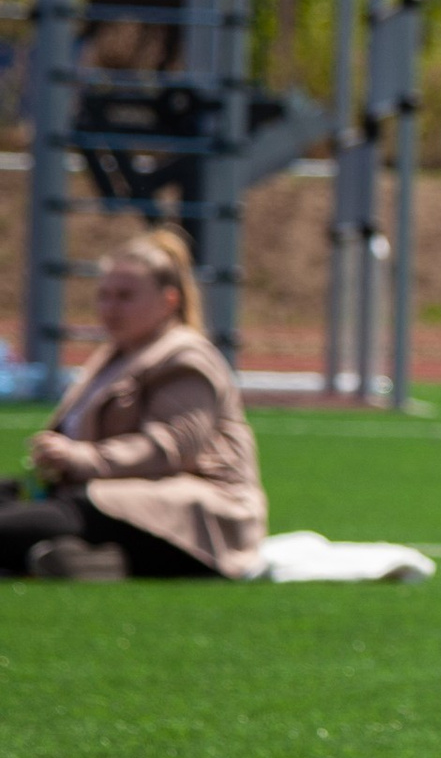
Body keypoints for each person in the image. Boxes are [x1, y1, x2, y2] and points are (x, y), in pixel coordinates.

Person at [0, 226, 268, 581]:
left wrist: (80, 458)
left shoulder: (187, 358)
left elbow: (171, 448)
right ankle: (81, 560)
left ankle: (62, 555)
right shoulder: (117, 354)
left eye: (125, 296)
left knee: (66, 512)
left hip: (196, 511)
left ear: (168, 301)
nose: (110, 308)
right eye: (104, 295)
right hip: (104, 495)